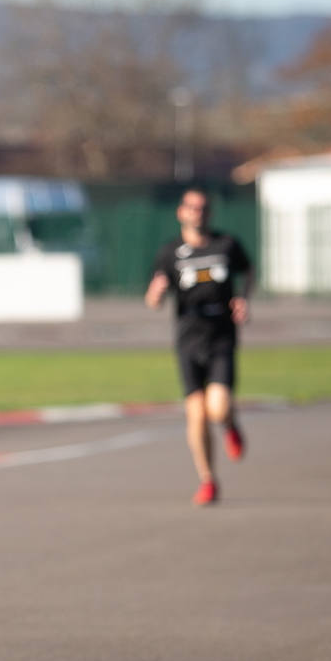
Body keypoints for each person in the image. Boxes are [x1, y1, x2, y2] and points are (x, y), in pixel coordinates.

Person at [145, 187, 254, 506]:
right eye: (191, 208)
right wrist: (156, 293)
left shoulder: (226, 245)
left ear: (210, 213)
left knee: (217, 407)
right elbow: (153, 298)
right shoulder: (170, 253)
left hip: (220, 333)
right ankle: (208, 480)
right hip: (188, 337)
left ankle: (230, 423)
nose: (198, 213)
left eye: (203, 208)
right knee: (196, 414)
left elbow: (247, 271)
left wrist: (243, 299)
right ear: (181, 212)